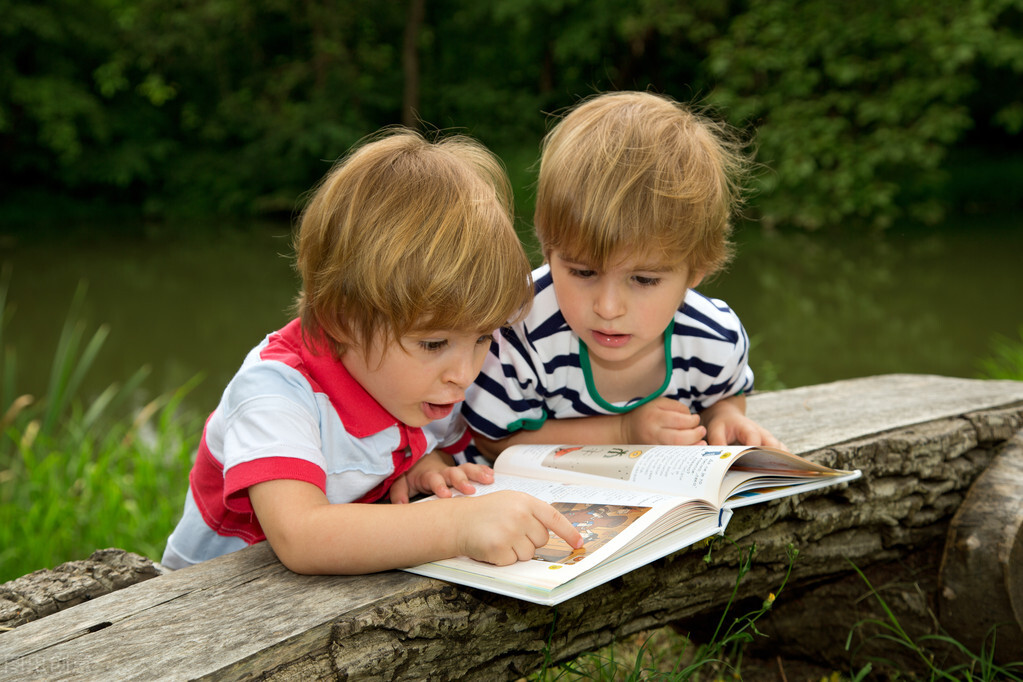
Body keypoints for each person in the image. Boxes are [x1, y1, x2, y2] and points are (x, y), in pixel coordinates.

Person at [162, 129, 582, 573]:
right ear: (344, 319)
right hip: (205, 610)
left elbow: (403, 449)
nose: (464, 372)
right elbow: (301, 536)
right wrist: (456, 523)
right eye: (434, 343)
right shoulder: (275, 393)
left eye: (482, 339)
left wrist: (426, 463)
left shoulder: (414, 385)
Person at [462, 91, 782, 461]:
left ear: (696, 271)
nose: (608, 307)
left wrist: (724, 417)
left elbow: (724, 394)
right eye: (583, 272)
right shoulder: (515, 332)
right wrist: (623, 431)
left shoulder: (713, 337)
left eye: (644, 280)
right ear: (549, 250)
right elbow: (493, 441)